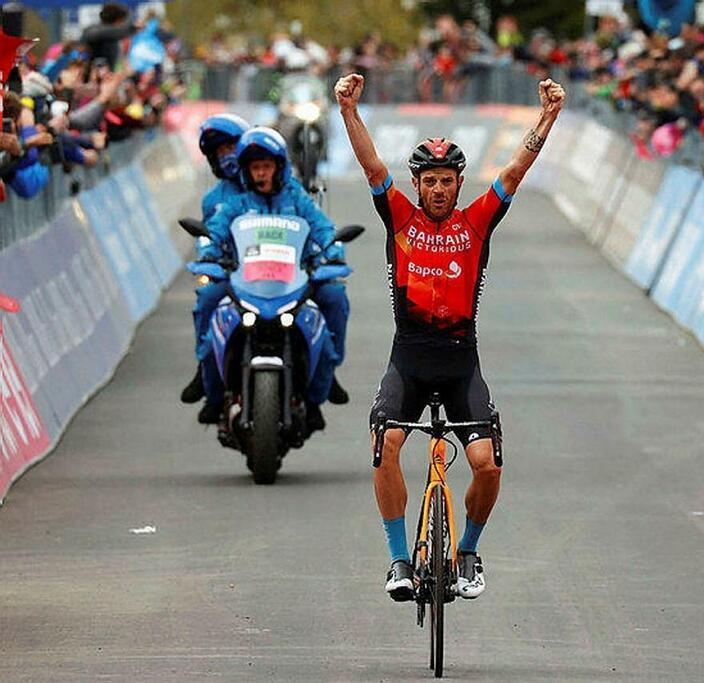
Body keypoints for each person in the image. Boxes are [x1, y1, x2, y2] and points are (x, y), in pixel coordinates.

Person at [334, 71, 565, 601]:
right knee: (384, 445)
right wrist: (349, 110)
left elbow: (516, 169)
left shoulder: (477, 222)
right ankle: (397, 560)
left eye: (447, 181)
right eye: (429, 181)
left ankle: (468, 551)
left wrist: (547, 117)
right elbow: (372, 166)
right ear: (416, 185)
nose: (438, 189)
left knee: (487, 464)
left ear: (460, 184)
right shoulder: (398, 218)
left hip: (462, 364)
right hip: (408, 362)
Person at [196, 127, 351, 428]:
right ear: (246, 171)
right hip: (246, 283)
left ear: (279, 168)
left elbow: (322, 227)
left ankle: (322, 386)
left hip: (296, 280)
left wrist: (333, 252)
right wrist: (210, 252)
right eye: (255, 167)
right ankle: (212, 393)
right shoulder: (235, 204)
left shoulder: (298, 197)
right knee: (208, 301)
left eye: (266, 166)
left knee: (334, 296)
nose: (261, 173)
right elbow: (215, 231)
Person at [180, 113, 250, 405]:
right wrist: (207, 255)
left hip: (277, 272)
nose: (226, 156)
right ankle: (206, 373)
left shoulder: (275, 182)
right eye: (219, 152)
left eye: (230, 147)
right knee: (207, 299)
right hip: (231, 273)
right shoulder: (213, 199)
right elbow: (207, 235)